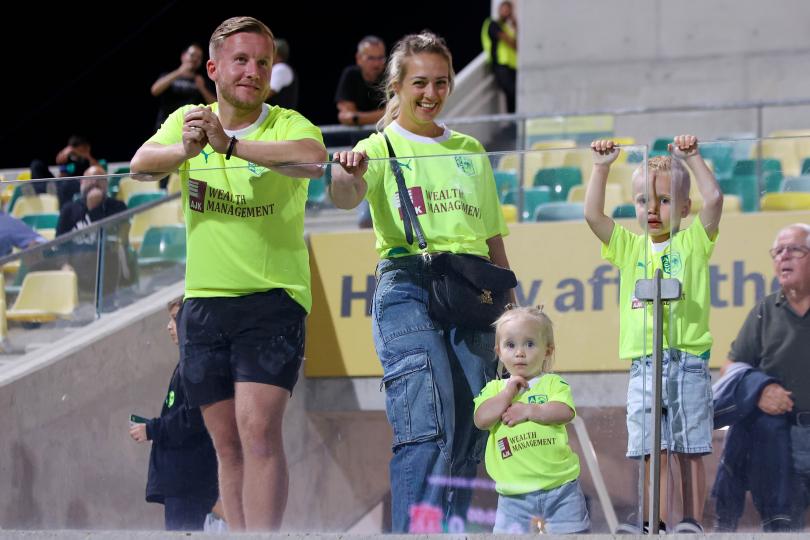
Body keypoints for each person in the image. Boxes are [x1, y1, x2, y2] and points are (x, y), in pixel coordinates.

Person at [130, 16, 326, 531]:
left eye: (263, 62)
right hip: (203, 302)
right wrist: (186, 150)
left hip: (272, 300)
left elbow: (313, 160)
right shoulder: (188, 120)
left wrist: (230, 146)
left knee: (257, 431)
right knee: (227, 444)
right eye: (241, 60)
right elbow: (140, 165)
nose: (253, 71)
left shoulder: (288, 123)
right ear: (214, 69)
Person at [330, 31, 513, 532]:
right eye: (419, 83)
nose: (431, 93)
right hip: (408, 285)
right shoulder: (377, 146)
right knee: (426, 424)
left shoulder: (470, 149)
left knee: (467, 436)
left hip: (474, 288)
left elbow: (492, 237)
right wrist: (344, 175)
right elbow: (345, 197)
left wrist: (511, 311)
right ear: (396, 85)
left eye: (441, 82)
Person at [584, 135, 723, 532]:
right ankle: (653, 523)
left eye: (664, 201)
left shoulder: (693, 241)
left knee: (689, 448)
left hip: (688, 362)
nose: (652, 210)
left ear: (684, 208)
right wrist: (601, 167)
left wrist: (693, 158)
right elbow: (593, 215)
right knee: (651, 449)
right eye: (643, 200)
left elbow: (715, 199)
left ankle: (692, 522)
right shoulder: (629, 247)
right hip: (644, 363)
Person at [473, 306, 590, 534]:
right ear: (498, 351)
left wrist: (529, 410)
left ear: (548, 350)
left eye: (529, 344)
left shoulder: (552, 383)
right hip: (514, 497)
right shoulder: (494, 389)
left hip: (561, 489)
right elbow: (481, 419)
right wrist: (508, 393)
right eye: (510, 345)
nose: (520, 352)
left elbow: (564, 411)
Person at [723, 223, 810, 530]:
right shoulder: (764, 311)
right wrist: (758, 390)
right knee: (781, 529)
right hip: (779, 440)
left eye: (795, 249)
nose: (784, 256)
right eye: (778, 251)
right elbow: (731, 368)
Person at [129, 298, 219, 531]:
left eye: (175, 319)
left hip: (189, 481)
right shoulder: (187, 364)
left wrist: (153, 429)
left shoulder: (196, 364)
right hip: (182, 481)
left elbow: (193, 418)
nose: (169, 326)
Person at [151, 43, 216, 131]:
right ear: (183, 56)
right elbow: (154, 90)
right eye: (192, 55)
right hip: (164, 126)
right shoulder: (168, 75)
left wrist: (202, 88)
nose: (195, 59)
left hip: (189, 128)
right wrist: (179, 72)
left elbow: (215, 104)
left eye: (199, 57)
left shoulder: (202, 81)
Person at [334, 35, 387, 127]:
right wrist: (383, 115)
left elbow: (396, 113)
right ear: (358, 58)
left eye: (380, 58)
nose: (376, 64)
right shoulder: (351, 75)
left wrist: (357, 118)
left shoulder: (390, 76)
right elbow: (345, 116)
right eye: (371, 58)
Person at [481, 1, 517, 113]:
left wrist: (514, 23)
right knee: (511, 91)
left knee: (512, 96)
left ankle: (513, 120)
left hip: (512, 65)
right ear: (499, 10)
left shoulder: (507, 28)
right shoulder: (493, 24)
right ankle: (512, 120)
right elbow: (512, 43)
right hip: (500, 64)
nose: (506, 12)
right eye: (504, 9)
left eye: (508, 10)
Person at [267, 38, 299, 110]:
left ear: (275, 53)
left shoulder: (281, 68)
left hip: (280, 116)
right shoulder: (277, 68)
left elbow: (267, 93)